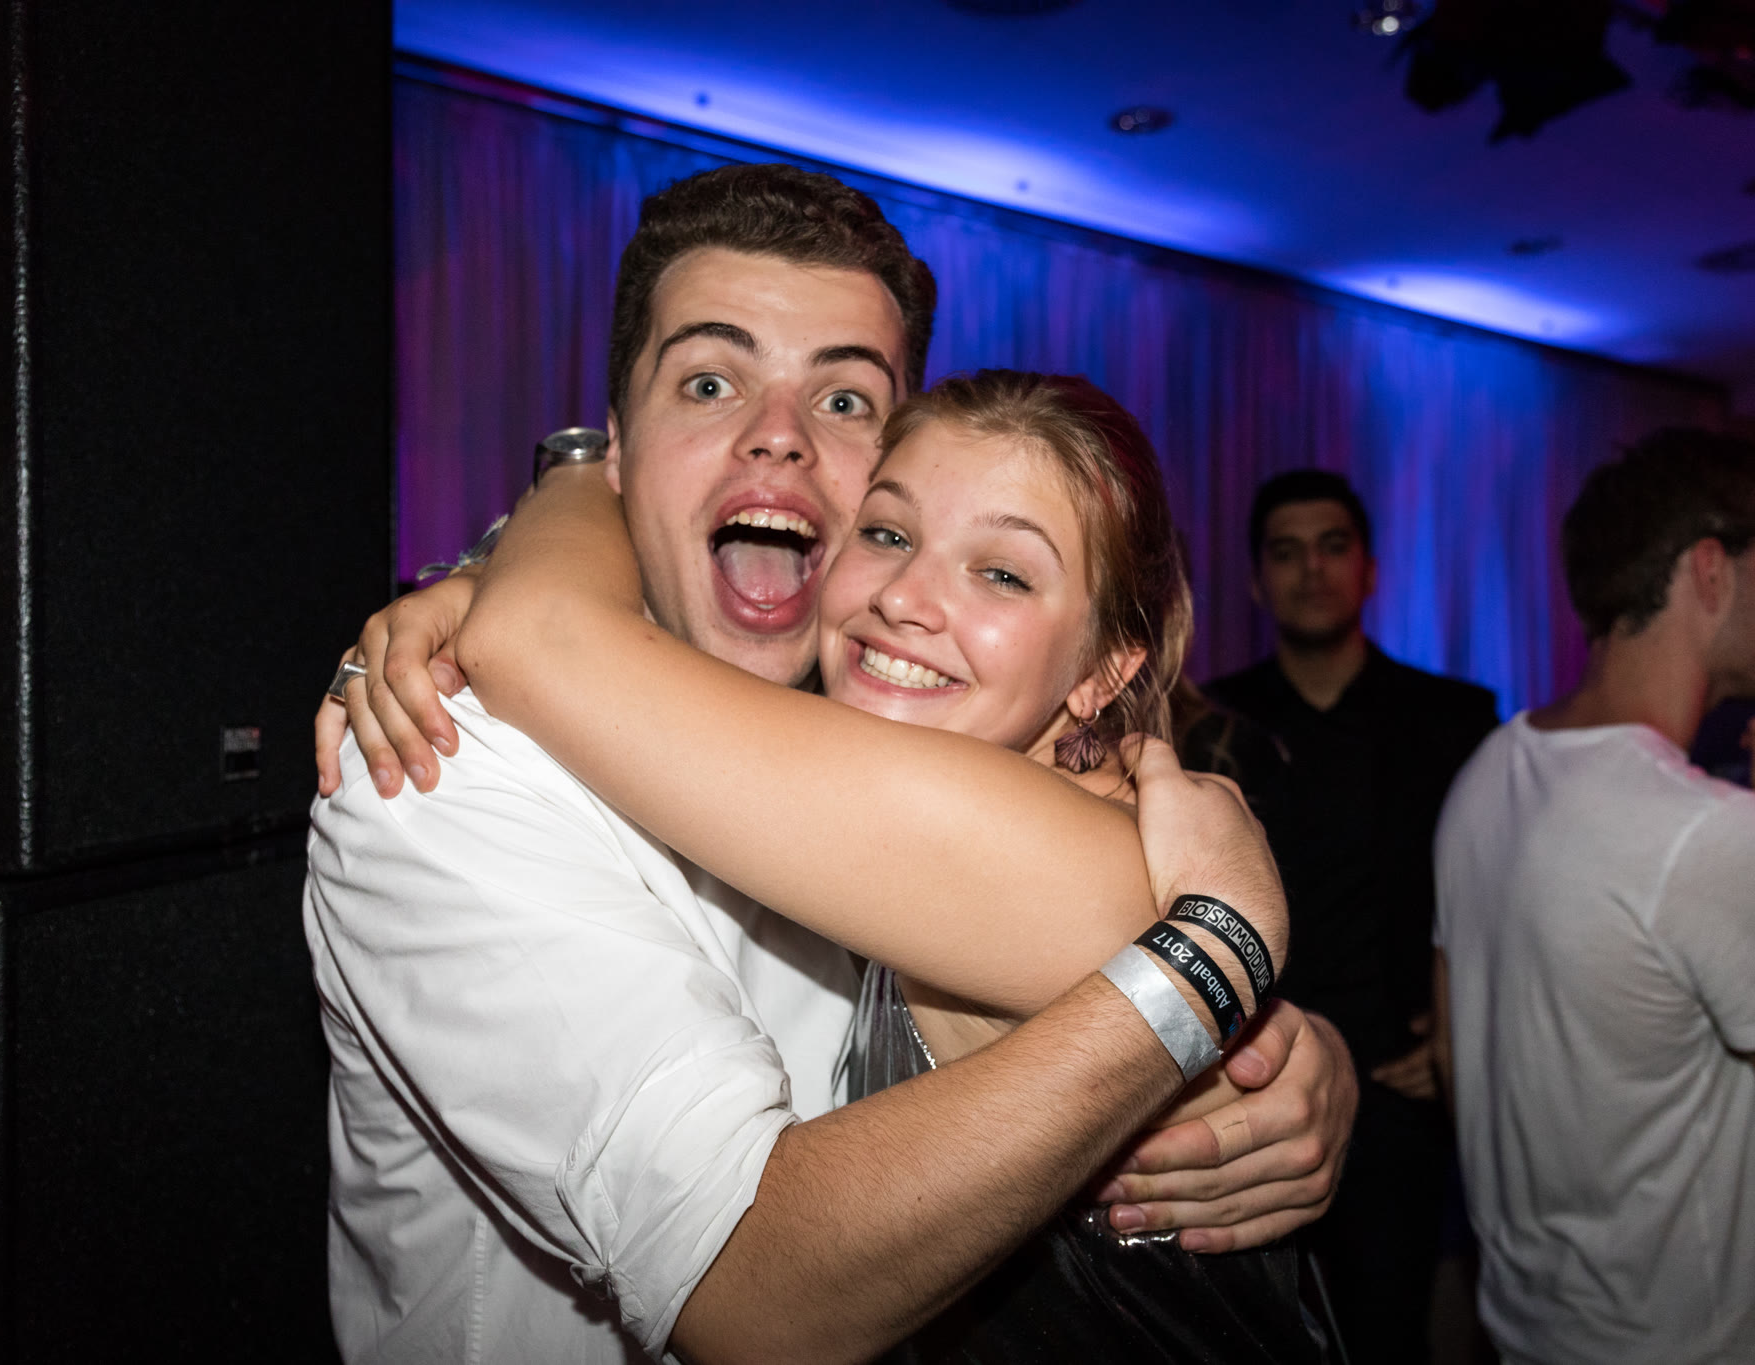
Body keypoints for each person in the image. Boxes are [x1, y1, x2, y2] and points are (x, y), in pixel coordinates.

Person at [307, 163, 1357, 1364]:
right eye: (708, 383)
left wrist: (1298, 1050)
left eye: (846, 400)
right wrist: (1213, 961)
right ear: (624, 447)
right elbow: (747, 1289)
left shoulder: (920, 753)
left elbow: (1165, 971)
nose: (777, 435)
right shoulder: (440, 766)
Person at [1432, 428, 1755, 1365]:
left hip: (1531, 1329)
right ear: (1710, 571)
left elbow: (1459, 1053)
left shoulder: (1490, 768)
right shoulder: (1718, 833)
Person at [1204, 467, 1496, 1362]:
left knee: (1387, 1331)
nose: (1311, 570)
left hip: (1403, 1091)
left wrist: (1457, 1028)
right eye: (1286, 552)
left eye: (1332, 547)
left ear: (1369, 569)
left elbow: (1495, 901)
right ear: (1256, 580)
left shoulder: (1456, 719)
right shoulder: (1212, 723)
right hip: (1251, 1077)